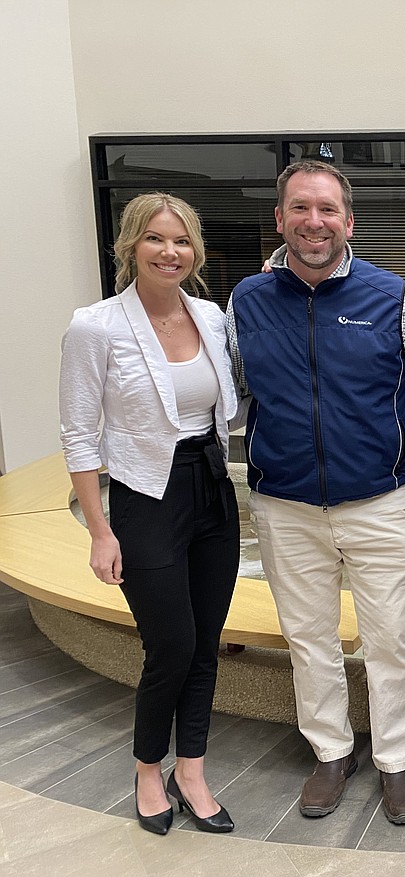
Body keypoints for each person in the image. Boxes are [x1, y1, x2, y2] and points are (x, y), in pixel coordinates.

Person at [226, 160, 405, 826]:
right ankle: (330, 751)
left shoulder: (395, 297)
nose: (313, 222)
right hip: (285, 504)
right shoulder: (247, 301)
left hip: (380, 504)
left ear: (349, 221)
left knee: (389, 640)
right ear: (281, 219)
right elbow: (233, 392)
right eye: (300, 208)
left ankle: (397, 760)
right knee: (309, 636)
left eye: (327, 209)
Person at [60, 193, 239, 836]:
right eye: (156, 240)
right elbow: (79, 436)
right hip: (143, 497)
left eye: (183, 241)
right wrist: (100, 531)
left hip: (212, 490)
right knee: (171, 644)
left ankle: (191, 770)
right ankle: (147, 769)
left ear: (195, 252)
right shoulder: (96, 326)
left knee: (206, 644)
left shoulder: (213, 317)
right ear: (130, 245)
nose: (171, 252)